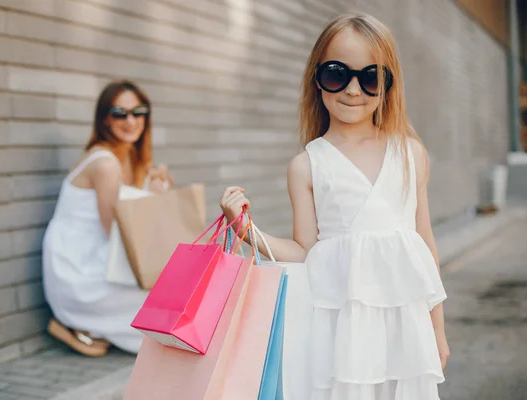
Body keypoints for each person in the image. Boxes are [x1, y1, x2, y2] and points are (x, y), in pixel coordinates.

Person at [220, 14, 450, 399]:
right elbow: (303, 250)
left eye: (370, 77)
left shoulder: (410, 153)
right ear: (316, 78)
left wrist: (437, 329)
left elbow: (424, 244)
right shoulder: (307, 164)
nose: (353, 90)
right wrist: (246, 231)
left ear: (388, 84)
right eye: (336, 74)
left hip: (405, 329)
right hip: (339, 329)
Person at [43, 80, 173, 357]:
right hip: (79, 272)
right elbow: (114, 234)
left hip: (94, 258)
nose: (130, 120)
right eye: (119, 113)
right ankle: (79, 323)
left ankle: (94, 329)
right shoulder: (105, 163)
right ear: (104, 118)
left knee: (173, 290)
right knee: (169, 294)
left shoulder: (128, 159)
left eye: (138, 112)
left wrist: (154, 192)